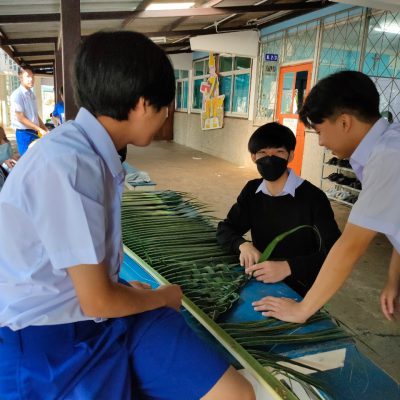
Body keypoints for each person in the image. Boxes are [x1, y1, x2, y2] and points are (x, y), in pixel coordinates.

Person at [0, 31, 254, 400]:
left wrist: (129, 292)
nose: (166, 115)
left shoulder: (84, 150)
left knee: (236, 393)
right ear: (142, 105)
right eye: (164, 105)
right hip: (51, 341)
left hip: (95, 315)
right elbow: (98, 301)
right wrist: (162, 298)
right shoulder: (70, 165)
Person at [253, 70, 400, 323]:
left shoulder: (389, 158)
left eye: (319, 131)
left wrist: (302, 309)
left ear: (344, 122)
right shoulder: (388, 145)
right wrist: (394, 280)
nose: (320, 142)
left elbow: (349, 246)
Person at [217, 122, 341, 297]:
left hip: (301, 288)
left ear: (290, 155)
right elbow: (225, 229)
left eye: (279, 152)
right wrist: (242, 245)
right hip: (260, 281)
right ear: (253, 157)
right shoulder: (252, 191)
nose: (270, 158)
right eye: (262, 153)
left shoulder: (314, 198)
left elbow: (335, 253)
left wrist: (288, 267)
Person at [10, 66, 49, 156]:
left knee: (37, 157)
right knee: (27, 158)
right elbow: (21, 118)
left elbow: (35, 115)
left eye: (32, 76)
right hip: (24, 134)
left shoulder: (32, 94)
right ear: (20, 77)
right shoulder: (17, 95)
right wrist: (39, 129)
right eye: (28, 76)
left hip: (34, 131)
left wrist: (45, 129)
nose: (31, 79)